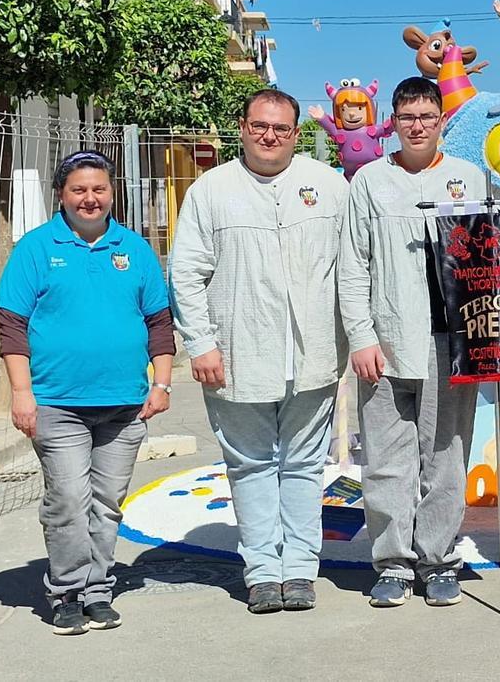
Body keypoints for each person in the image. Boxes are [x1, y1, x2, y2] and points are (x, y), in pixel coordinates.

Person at [169, 89, 349, 615]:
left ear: (296, 134)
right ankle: (264, 572)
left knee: (303, 466)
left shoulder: (329, 186)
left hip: (313, 355)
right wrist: (201, 343)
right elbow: (187, 273)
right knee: (250, 466)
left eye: (281, 128)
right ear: (243, 128)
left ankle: (301, 570)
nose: (269, 136)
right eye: (259, 126)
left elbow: (354, 266)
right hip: (237, 355)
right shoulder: (210, 191)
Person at [0, 149, 174, 635]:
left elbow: (159, 322)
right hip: (57, 403)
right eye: (79, 189)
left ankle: (98, 590)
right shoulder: (36, 249)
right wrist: (21, 392)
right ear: (61, 195)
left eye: (99, 188)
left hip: (124, 405)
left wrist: (161, 383)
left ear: (112, 193)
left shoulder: (134, 249)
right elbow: (11, 325)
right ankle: (67, 593)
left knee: (107, 502)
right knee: (69, 500)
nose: (89, 198)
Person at [338, 76, 487, 608]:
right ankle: (394, 564)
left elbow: (489, 259)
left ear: (441, 120)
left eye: (427, 116)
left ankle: (438, 559)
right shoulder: (369, 182)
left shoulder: (469, 177)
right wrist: (361, 336)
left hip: (451, 341)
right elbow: (352, 265)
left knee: (446, 454)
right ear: (393, 123)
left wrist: (493, 339)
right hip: (386, 340)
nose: (417, 126)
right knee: (386, 458)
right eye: (407, 118)